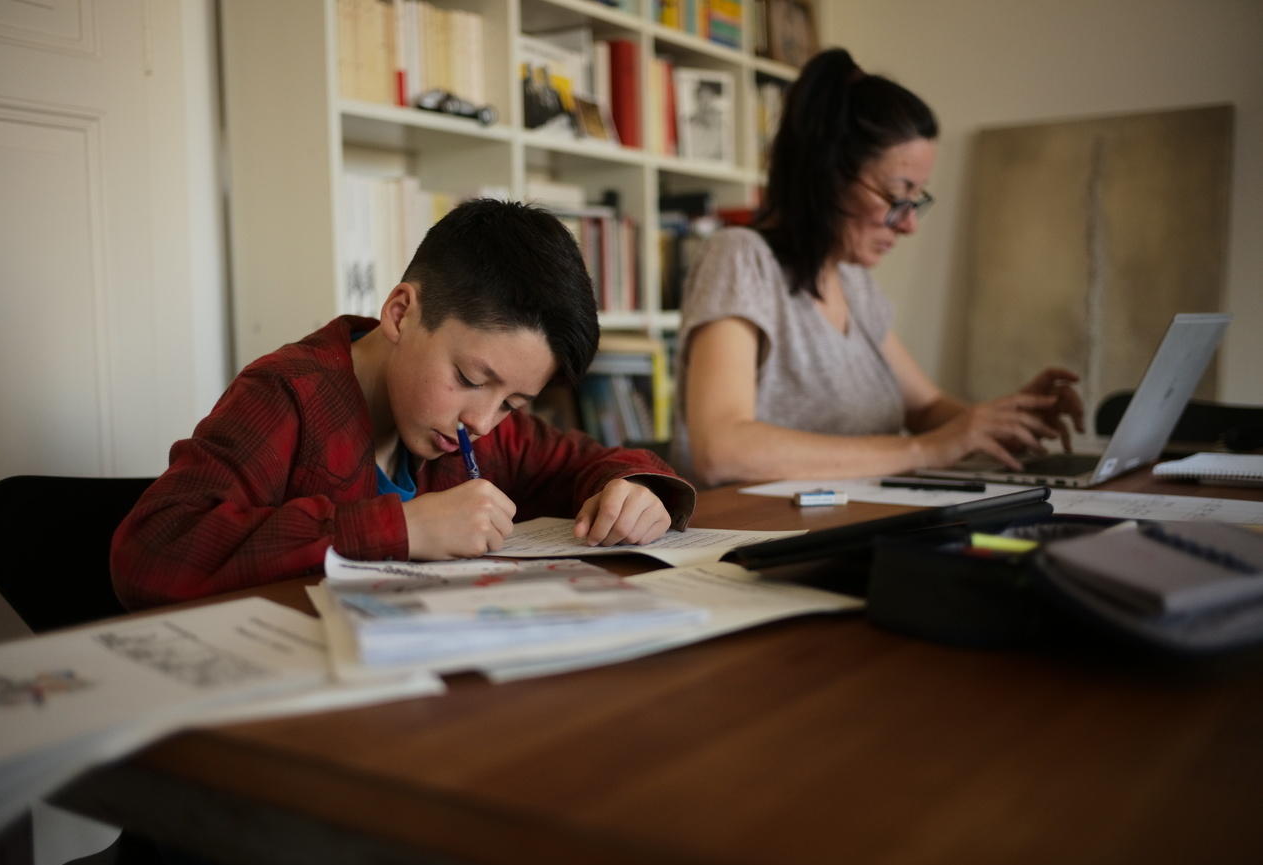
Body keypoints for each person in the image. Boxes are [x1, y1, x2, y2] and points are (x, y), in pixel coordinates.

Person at [112, 199, 696, 609]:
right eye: (470, 377)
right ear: (400, 313)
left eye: (513, 403)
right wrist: (401, 527)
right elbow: (154, 550)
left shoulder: (482, 426)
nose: (482, 421)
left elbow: (590, 462)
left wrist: (631, 492)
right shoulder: (288, 394)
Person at [673, 48, 1084, 487]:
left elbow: (925, 409)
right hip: (757, 540)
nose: (908, 225)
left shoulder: (852, 282)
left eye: (916, 201)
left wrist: (1005, 422)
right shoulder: (739, 257)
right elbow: (722, 452)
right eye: (896, 196)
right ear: (828, 174)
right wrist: (927, 449)